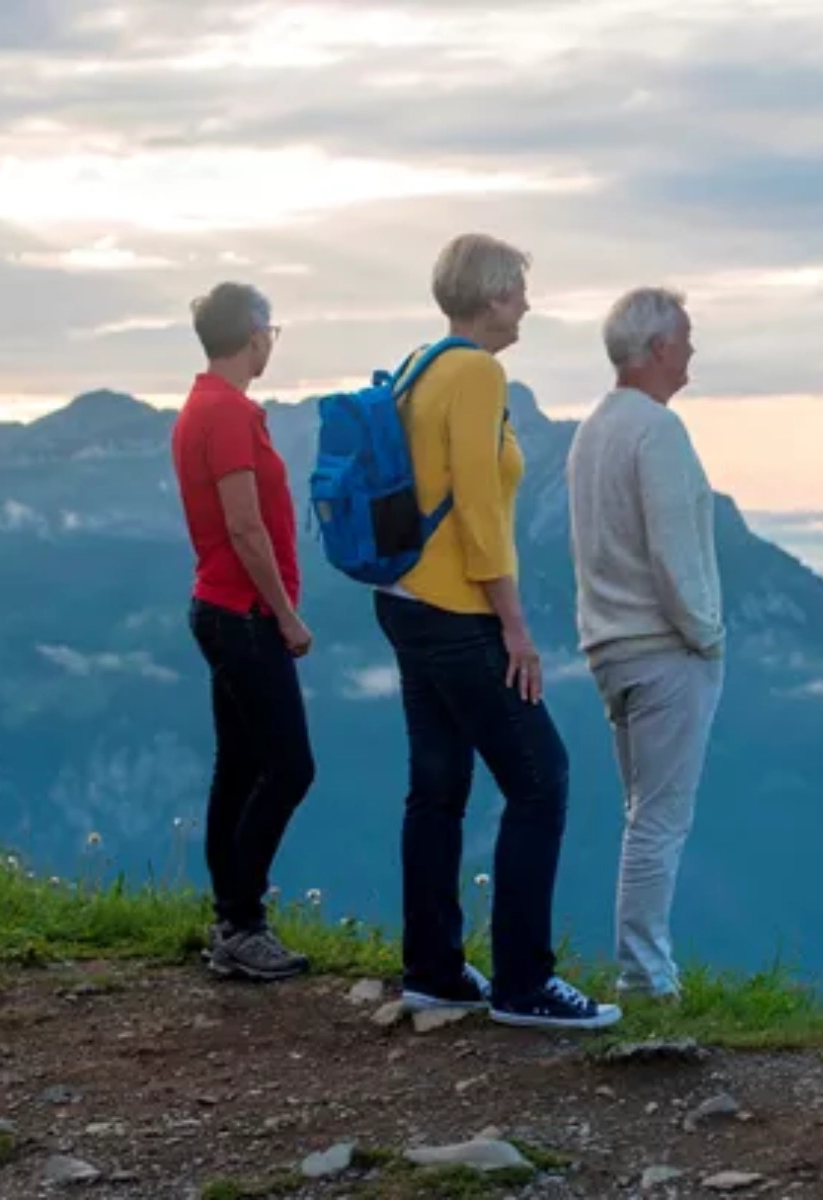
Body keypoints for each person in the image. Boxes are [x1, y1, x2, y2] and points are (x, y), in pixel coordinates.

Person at [372, 233, 621, 1030]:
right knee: (541, 779)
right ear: (489, 295)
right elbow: (479, 508)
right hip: (457, 611)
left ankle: (435, 970)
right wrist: (515, 625)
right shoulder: (479, 373)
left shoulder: (421, 365)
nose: (525, 304)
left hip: (405, 599)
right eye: (517, 290)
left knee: (437, 788)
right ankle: (524, 984)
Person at [566, 286, 724, 1003]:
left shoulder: (593, 428)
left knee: (642, 812)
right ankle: (647, 976)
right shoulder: (657, 431)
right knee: (662, 819)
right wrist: (706, 633)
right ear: (659, 348)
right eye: (685, 339)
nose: (691, 352)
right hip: (664, 649)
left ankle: (644, 968)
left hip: (609, 647)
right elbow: (672, 551)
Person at [171, 282, 316, 983]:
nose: (271, 343)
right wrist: (286, 614)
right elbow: (244, 525)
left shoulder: (203, 406)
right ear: (252, 335)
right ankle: (242, 922)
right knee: (290, 766)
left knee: (238, 767)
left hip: (220, 609)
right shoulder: (226, 413)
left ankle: (231, 919)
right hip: (244, 615)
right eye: (271, 331)